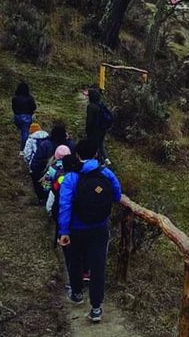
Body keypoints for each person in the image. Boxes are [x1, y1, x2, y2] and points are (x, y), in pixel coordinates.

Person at [57, 139, 122, 323]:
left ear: (77, 155)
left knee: (75, 260)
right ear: (96, 154)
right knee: (98, 265)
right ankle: (96, 308)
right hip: (100, 228)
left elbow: (65, 205)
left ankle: (77, 294)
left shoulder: (71, 177)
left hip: (76, 229)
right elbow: (117, 195)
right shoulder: (106, 173)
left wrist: (63, 231)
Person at [46, 152, 90, 287]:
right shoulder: (84, 178)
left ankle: (74, 282)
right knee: (85, 248)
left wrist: (56, 221)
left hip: (67, 223)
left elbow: (54, 203)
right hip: (85, 222)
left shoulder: (60, 179)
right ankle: (86, 272)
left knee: (70, 252)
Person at [29, 124, 75, 205]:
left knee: (36, 176)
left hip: (46, 174)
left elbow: (36, 163)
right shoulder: (70, 145)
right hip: (68, 175)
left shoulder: (45, 145)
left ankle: (43, 198)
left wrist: (35, 172)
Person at [85, 88, 111, 165]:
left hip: (95, 130)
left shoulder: (90, 106)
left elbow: (89, 121)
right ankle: (106, 159)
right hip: (103, 128)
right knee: (101, 144)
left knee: (95, 146)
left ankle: (101, 162)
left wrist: (87, 130)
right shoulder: (101, 104)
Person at [12, 82, 37, 153]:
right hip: (27, 117)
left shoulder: (15, 98)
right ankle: (23, 150)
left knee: (22, 131)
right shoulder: (29, 98)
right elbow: (34, 107)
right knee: (25, 133)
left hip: (17, 116)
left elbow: (13, 108)